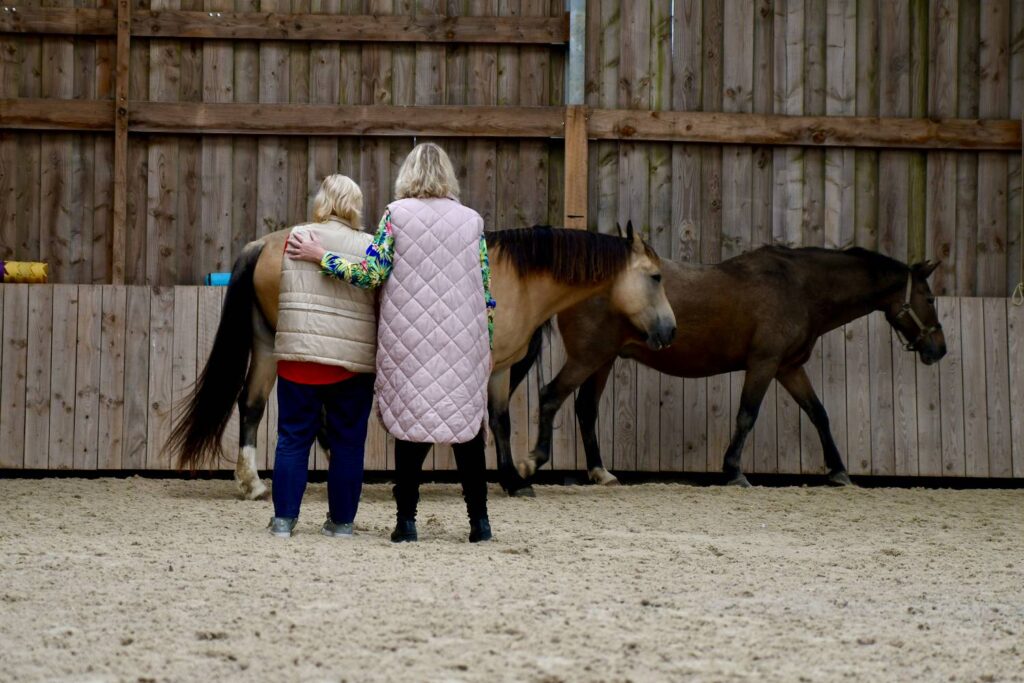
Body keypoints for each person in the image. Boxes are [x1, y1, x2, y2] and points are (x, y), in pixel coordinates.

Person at [286, 143, 496, 543]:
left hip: (410, 337)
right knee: (467, 431)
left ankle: (407, 523)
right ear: (448, 175)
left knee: (412, 427)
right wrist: (487, 342)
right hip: (464, 341)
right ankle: (479, 524)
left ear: (409, 175)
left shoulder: (395, 215)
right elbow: (485, 288)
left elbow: (372, 272)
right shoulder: (473, 221)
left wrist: (322, 256)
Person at [268, 174, 376, 538]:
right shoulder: (369, 246)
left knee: (292, 438)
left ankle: (284, 520)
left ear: (322, 201)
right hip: (350, 363)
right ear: (354, 206)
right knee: (348, 443)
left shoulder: (297, 237)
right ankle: (342, 523)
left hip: (299, 360)